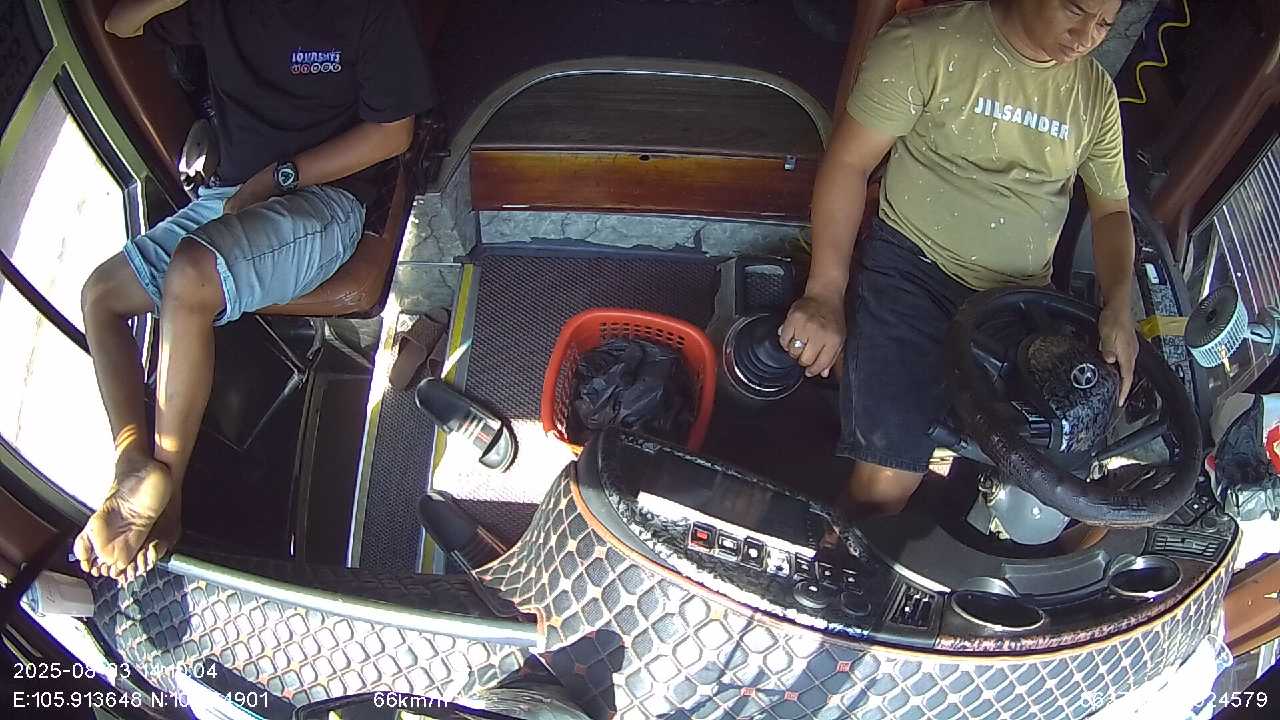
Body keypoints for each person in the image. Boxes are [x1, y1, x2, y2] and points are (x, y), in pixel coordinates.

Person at [75, 0, 434, 583]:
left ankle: (168, 493)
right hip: (229, 194)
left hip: (323, 197)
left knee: (190, 274)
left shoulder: (367, 12)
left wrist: (279, 176)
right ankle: (133, 461)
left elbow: (393, 133)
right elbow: (120, 22)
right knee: (101, 296)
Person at [779, 0, 1138, 516]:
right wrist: (824, 293)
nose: (1086, 37)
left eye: (1104, 24)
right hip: (914, 274)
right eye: (1075, 10)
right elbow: (849, 164)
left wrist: (1119, 305)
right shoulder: (925, 43)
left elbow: (1111, 212)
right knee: (884, 485)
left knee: (1059, 481)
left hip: (1017, 301)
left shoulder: (1095, 95)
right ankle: (841, 552)